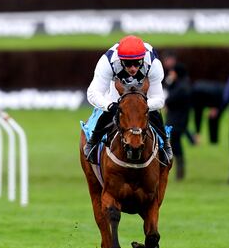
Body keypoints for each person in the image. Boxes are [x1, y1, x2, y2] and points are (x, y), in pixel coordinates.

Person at [82, 35, 169, 164]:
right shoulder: (108, 62)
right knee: (110, 111)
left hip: (143, 92)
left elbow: (159, 99)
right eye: (128, 64)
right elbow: (93, 93)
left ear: (142, 59)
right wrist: (110, 106)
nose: (133, 68)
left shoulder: (153, 63)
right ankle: (93, 143)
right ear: (120, 60)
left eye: (137, 63)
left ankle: (165, 146)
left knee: (154, 112)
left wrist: (141, 107)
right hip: (117, 88)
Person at [165, 62, 193, 180]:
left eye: (173, 72)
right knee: (175, 145)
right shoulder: (183, 84)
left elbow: (169, 99)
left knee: (175, 145)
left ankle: (179, 173)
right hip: (178, 120)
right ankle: (179, 172)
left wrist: (169, 83)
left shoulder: (182, 87)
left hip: (177, 121)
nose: (171, 74)